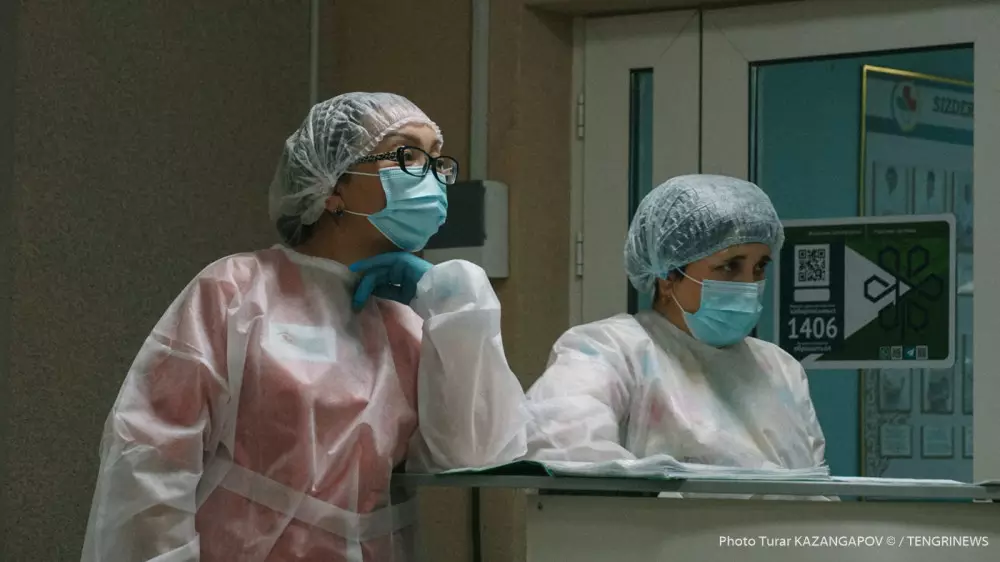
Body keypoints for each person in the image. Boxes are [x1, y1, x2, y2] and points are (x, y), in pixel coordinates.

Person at [81, 92, 528, 562]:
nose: (432, 177)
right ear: (332, 186)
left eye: (437, 161)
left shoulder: (410, 320)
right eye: (407, 155)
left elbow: (476, 452)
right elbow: (151, 458)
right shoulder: (236, 292)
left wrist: (453, 297)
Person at [525, 175, 827, 476]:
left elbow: (818, 486)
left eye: (759, 267)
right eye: (729, 266)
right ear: (668, 277)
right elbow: (562, 447)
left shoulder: (780, 369)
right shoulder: (608, 351)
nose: (749, 285)